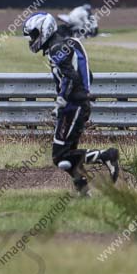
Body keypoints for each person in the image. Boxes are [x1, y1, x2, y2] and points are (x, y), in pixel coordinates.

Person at [22, 11, 119, 197]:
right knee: (67, 156)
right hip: (77, 104)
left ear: (44, 30)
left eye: (33, 36)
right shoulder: (62, 45)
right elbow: (87, 75)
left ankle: (107, 155)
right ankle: (83, 193)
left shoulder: (57, 49)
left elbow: (71, 77)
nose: (31, 41)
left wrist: (62, 100)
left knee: (60, 156)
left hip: (73, 106)